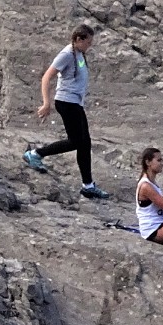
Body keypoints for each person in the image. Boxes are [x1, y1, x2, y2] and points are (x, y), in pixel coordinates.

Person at [23, 24, 109, 200]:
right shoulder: (66, 54)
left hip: (75, 103)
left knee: (85, 143)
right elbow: (47, 77)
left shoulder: (79, 53)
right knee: (76, 141)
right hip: (66, 102)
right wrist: (46, 103)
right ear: (79, 39)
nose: (89, 46)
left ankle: (88, 185)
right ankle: (36, 154)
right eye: (88, 42)